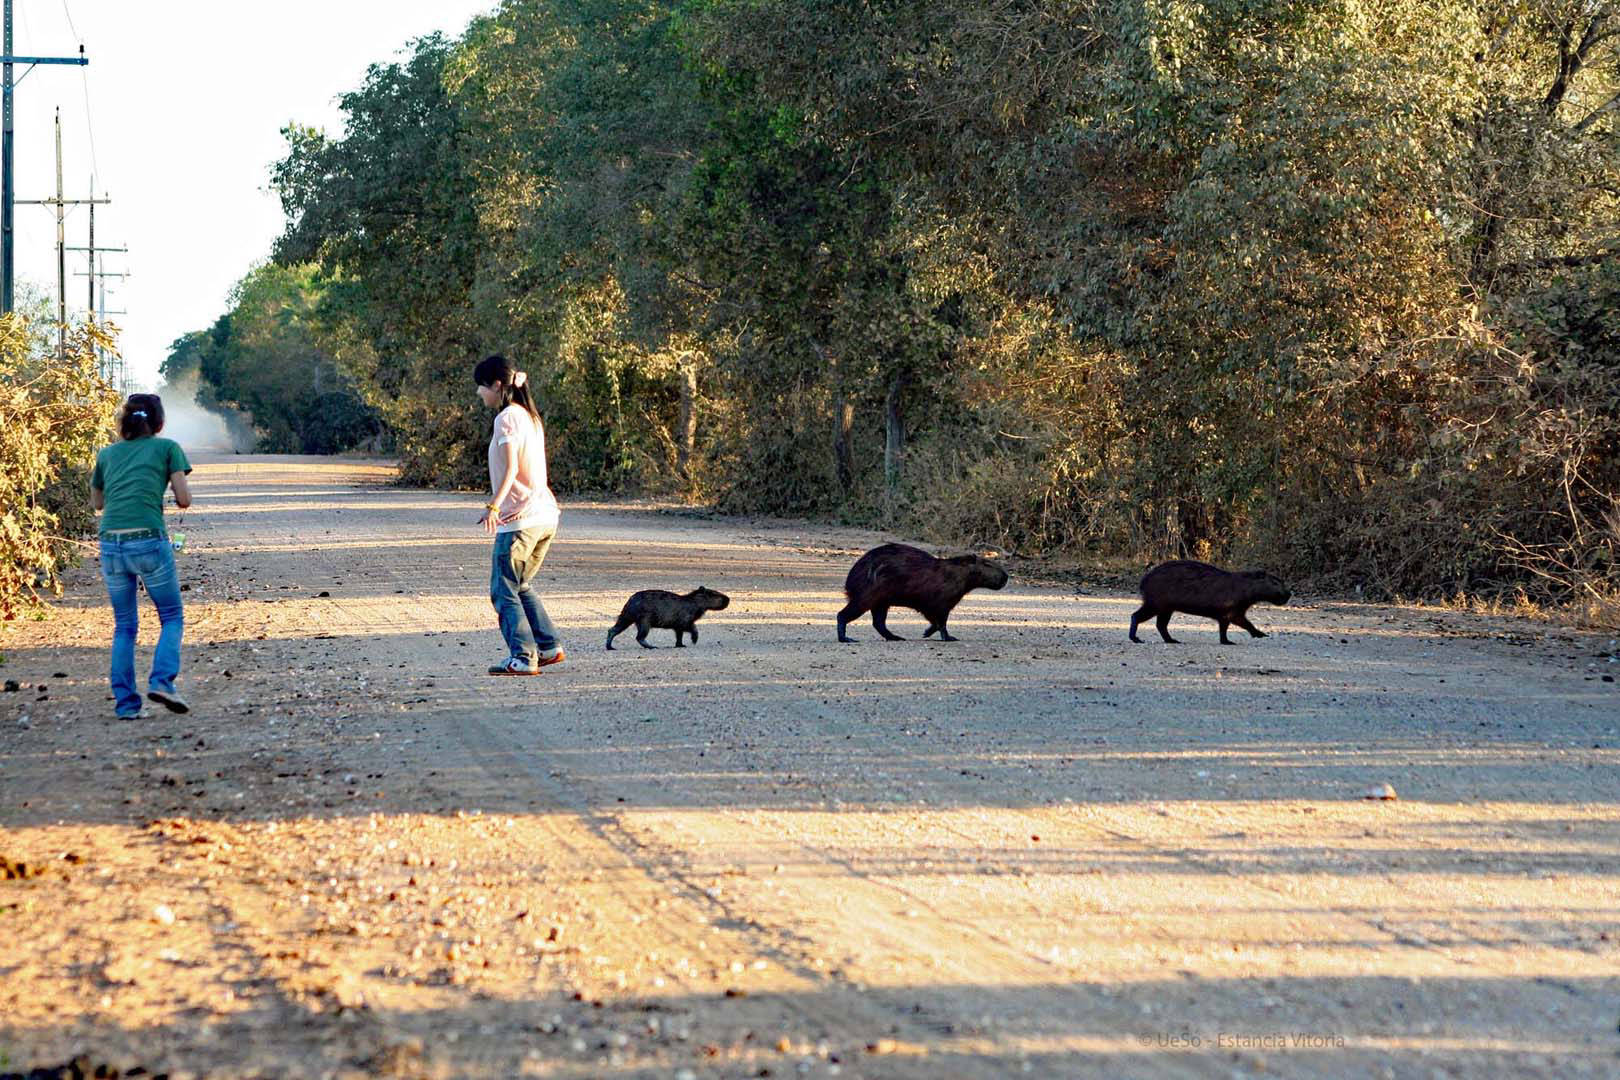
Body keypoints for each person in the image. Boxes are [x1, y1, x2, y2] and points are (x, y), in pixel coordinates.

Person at [90, 393, 192, 719]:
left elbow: (97, 504)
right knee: (172, 616)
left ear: (123, 423)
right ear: (158, 422)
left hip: (110, 543)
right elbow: (184, 499)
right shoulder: (167, 448)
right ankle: (162, 681)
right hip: (148, 540)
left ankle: (126, 705)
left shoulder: (106, 454)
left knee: (124, 626)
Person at [475, 354, 564, 674]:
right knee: (520, 584)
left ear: (498, 386)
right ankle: (548, 647)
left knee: (503, 590)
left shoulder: (508, 417)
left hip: (520, 520)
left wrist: (494, 506)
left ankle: (523, 658)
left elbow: (512, 467)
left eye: (482, 387)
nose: (479, 393)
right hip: (544, 516)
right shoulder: (529, 416)